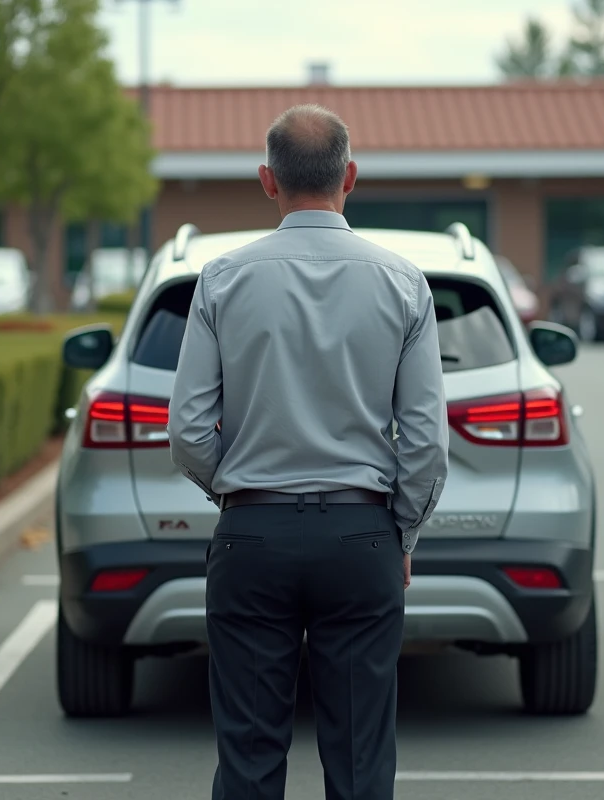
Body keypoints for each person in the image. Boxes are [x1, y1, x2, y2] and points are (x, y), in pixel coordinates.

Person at [167, 104, 450, 800]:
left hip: (251, 537)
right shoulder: (404, 281)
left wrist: (236, 492)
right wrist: (402, 530)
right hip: (362, 536)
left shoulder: (222, 279)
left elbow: (188, 431)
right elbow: (426, 442)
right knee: (359, 761)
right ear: (349, 176)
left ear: (268, 181)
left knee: (249, 757)